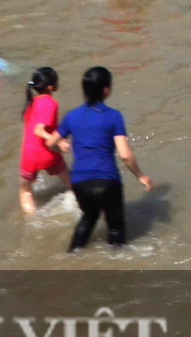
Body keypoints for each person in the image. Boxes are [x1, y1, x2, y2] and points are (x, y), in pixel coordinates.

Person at [54, 66, 151, 250]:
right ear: (106, 90)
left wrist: (61, 145)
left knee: (89, 218)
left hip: (79, 182)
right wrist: (140, 176)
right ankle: (116, 265)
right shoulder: (113, 116)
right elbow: (124, 154)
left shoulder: (71, 116)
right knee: (115, 225)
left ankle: (71, 255)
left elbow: (51, 142)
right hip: (107, 181)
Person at [17, 66, 66, 214]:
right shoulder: (50, 103)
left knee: (25, 192)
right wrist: (59, 141)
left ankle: (33, 220)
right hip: (47, 152)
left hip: (28, 155)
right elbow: (38, 129)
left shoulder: (30, 103)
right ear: (51, 87)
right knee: (70, 184)